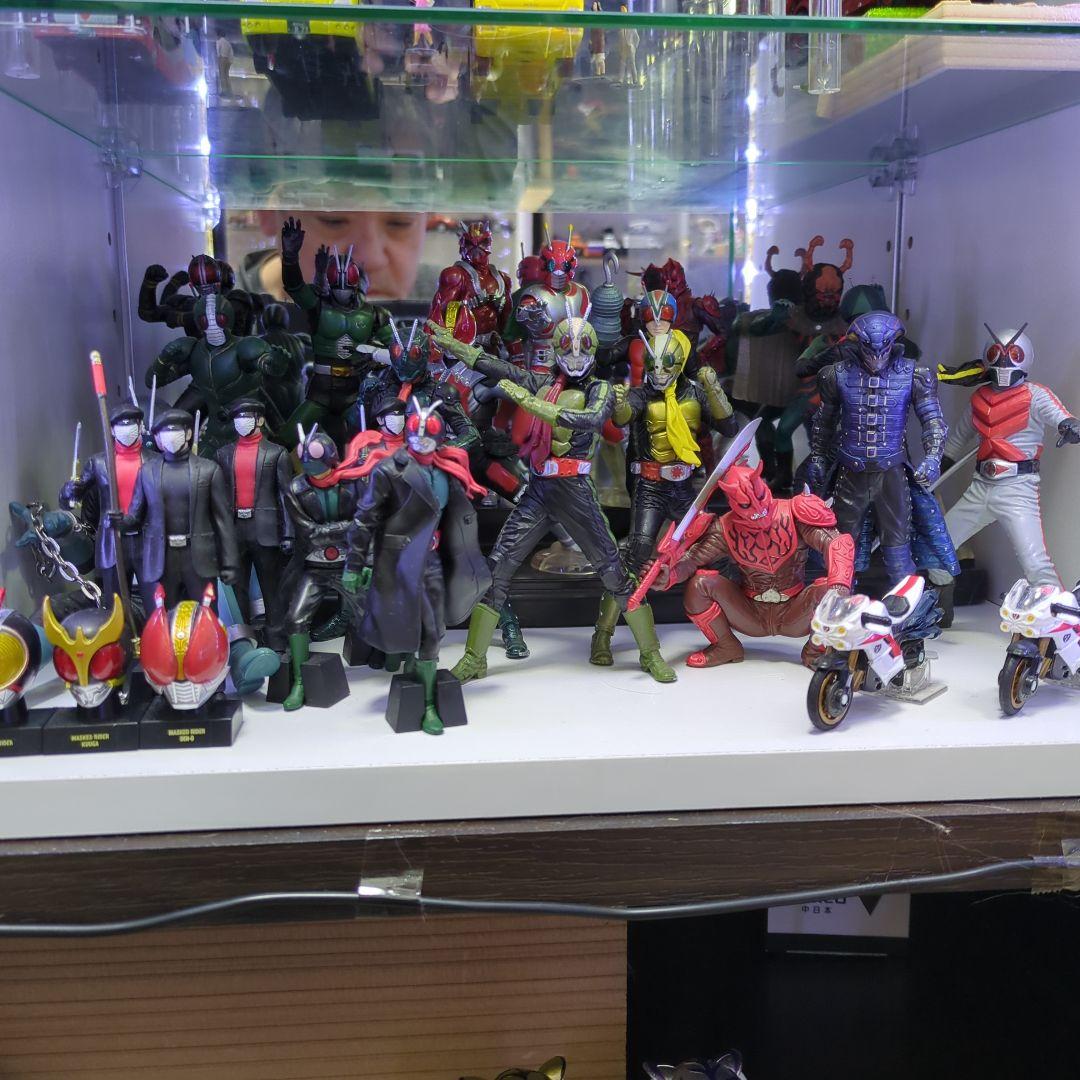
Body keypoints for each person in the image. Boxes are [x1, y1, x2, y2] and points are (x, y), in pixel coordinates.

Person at [239, 211, 429, 302]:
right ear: (268, 214)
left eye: (400, 223)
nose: (371, 259)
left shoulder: (444, 303)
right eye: (333, 221)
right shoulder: (230, 318)